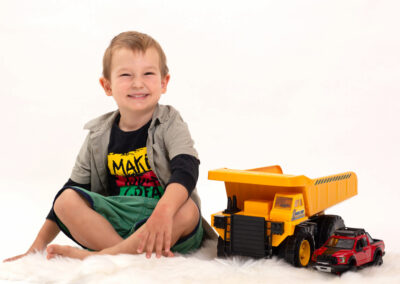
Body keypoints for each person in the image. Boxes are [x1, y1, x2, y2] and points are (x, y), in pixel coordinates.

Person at [4, 31, 215, 262]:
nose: (138, 83)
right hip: (117, 224)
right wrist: (35, 249)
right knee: (65, 200)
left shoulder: (170, 121)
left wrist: (163, 213)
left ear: (164, 82)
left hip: (166, 224)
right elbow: (72, 189)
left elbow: (186, 169)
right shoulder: (98, 135)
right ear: (107, 85)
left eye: (148, 73)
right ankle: (126, 256)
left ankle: (101, 257)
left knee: (188, 210)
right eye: (126, 74)